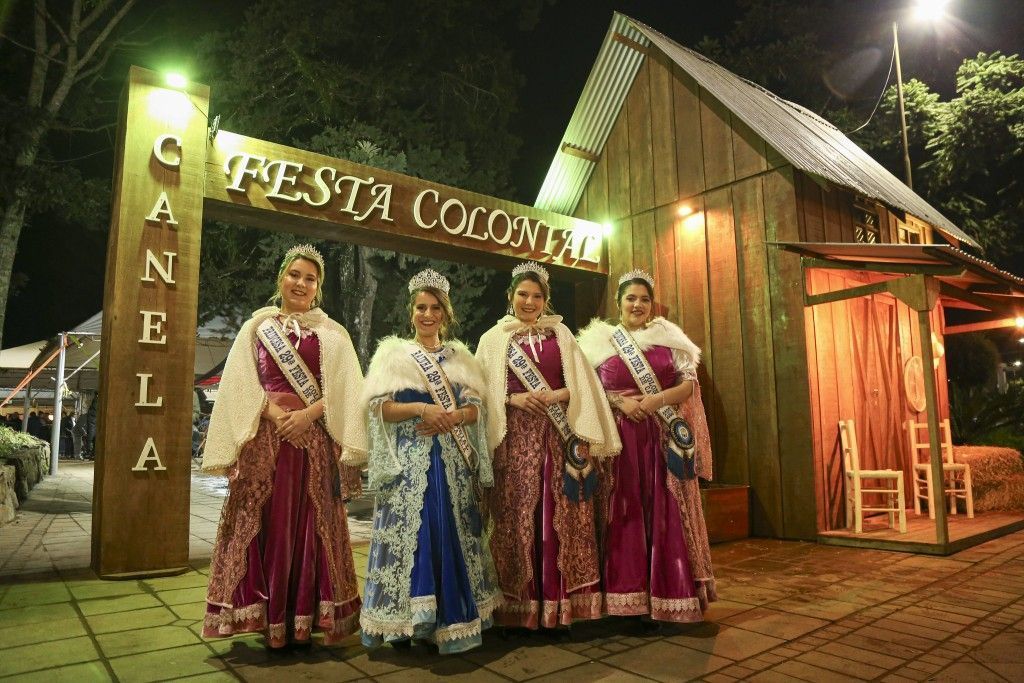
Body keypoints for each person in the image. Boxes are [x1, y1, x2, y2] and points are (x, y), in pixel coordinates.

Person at [201, 244, 367, 650]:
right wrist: (276, 415)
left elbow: (347, 389)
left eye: (310, 278)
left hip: (314, 442)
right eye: (295, 275)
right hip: (267, 443)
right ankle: (268, 619)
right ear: (281, 278)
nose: (301, 283)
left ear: (318, 287)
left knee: (313, 525)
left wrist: (308, 415)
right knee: (267, 524)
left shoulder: (334, 334)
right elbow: (239, 383)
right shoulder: (257, 327)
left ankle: (305, 617)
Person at [360, 269, 501, 653]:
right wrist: (422, 409)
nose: (427, 314)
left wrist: (454, 416)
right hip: (408, 468)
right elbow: (379, 409)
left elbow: (477, 410)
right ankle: (404, 624)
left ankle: (448, 621)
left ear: (446, 313)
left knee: (448, 533)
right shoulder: (393, 355)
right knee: (414, 537)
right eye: (421, 307)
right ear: (411, 312)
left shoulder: (461, 359)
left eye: (435, 308)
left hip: (452, 464)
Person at [475, 261, 620, 629]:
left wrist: (557, 394)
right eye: (523, 294)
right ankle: (517, 609)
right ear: (510, 296)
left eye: (537, 296)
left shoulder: (562, 335)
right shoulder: (493, 339)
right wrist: (512, 399)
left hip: (558, 440)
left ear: (546, 299)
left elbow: (583, 386)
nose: (529, 302)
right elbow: (479, 394)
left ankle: (560, 607)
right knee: (515, 516)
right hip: (514, 441)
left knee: (560, 516)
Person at [577, 270, 716, 624]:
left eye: (644, 300)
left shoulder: (670, 339)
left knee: (666, 513)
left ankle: (669, 595)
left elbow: (688, 384)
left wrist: (657, 400)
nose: (637, 305)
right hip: (617, 442)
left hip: (661, 437)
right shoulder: (597, 342)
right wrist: (619, 401)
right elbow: (587, 390)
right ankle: (624, 598)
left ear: (652, 305)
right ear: (618, 303)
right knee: (622, 514)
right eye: (630, 299)